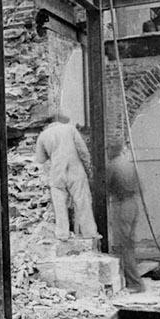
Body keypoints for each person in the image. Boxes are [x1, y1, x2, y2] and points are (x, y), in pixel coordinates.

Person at [33, 108, 99, 240]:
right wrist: (88, 168)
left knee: (59, 204)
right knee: (82, 201)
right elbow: (83, 151)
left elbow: (40, 159)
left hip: (57, 172)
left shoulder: (43, 135)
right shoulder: (70, 129)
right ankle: (89, 232)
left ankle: (62, 234)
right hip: (75, 170)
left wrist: (51, 153)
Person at [106, 143, 144, 292]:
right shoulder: (129, 164)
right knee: (129, 244)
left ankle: (135, 283)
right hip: (133, 204)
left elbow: (104, 187)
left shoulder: (112, 166)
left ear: (112, 150)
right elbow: (140, 187)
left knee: (123, 246)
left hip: (121, 205)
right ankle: (132, 281)